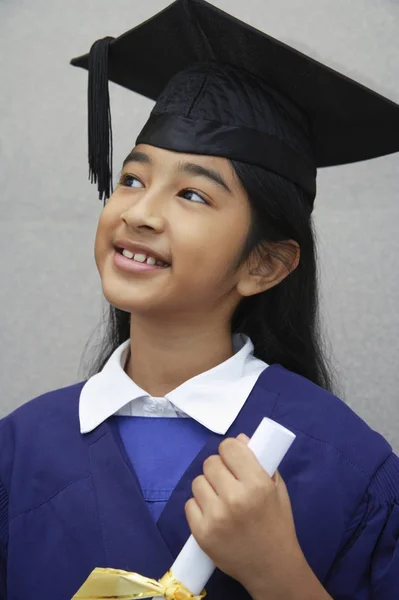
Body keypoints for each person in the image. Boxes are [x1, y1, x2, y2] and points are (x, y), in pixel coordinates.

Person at [1, 0, 399, 598]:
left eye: (192, 194)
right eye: (132, 179)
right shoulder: (19, 451)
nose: (139, 212)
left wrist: (276, 572)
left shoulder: (346, 462)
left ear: (264, 264)